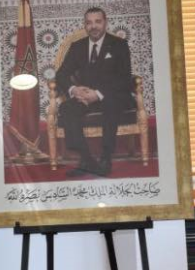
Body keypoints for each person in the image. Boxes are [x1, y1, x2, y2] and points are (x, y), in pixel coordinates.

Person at [55, 6, 135, 177]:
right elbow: (61, 74)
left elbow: (124, 78)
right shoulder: (77, 46)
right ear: (85, 25)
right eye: (89, 23)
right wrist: (74, 89)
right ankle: (86, 160)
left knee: (110, 104)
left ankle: (106, 158)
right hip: (85, 96)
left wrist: (97, 94)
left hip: (112, 95)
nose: (93, 26)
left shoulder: (119, 45)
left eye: (97, 21)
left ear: (105, 23)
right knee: (67, 108)